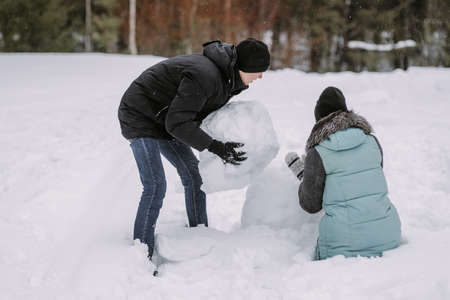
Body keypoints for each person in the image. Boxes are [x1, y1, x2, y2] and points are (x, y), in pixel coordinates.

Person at [118, 38, 270, 260]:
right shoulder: (206, 76)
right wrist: (215, 146)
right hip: (140, 114)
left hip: (164, 118)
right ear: (244, 66)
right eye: (258, 70)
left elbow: (192, 113)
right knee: (155, 184)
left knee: (193, 175)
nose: (260, 76)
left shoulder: (227, 79)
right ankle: (142, 252)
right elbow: (178, 123)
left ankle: (200, 234)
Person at [285, 86, 401, 260]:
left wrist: (306, 175)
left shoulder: (319, 152)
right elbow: (361, 182)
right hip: (389, 237)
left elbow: (310, 205)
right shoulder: (372, 141)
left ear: (319, 120)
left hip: (343, 248)